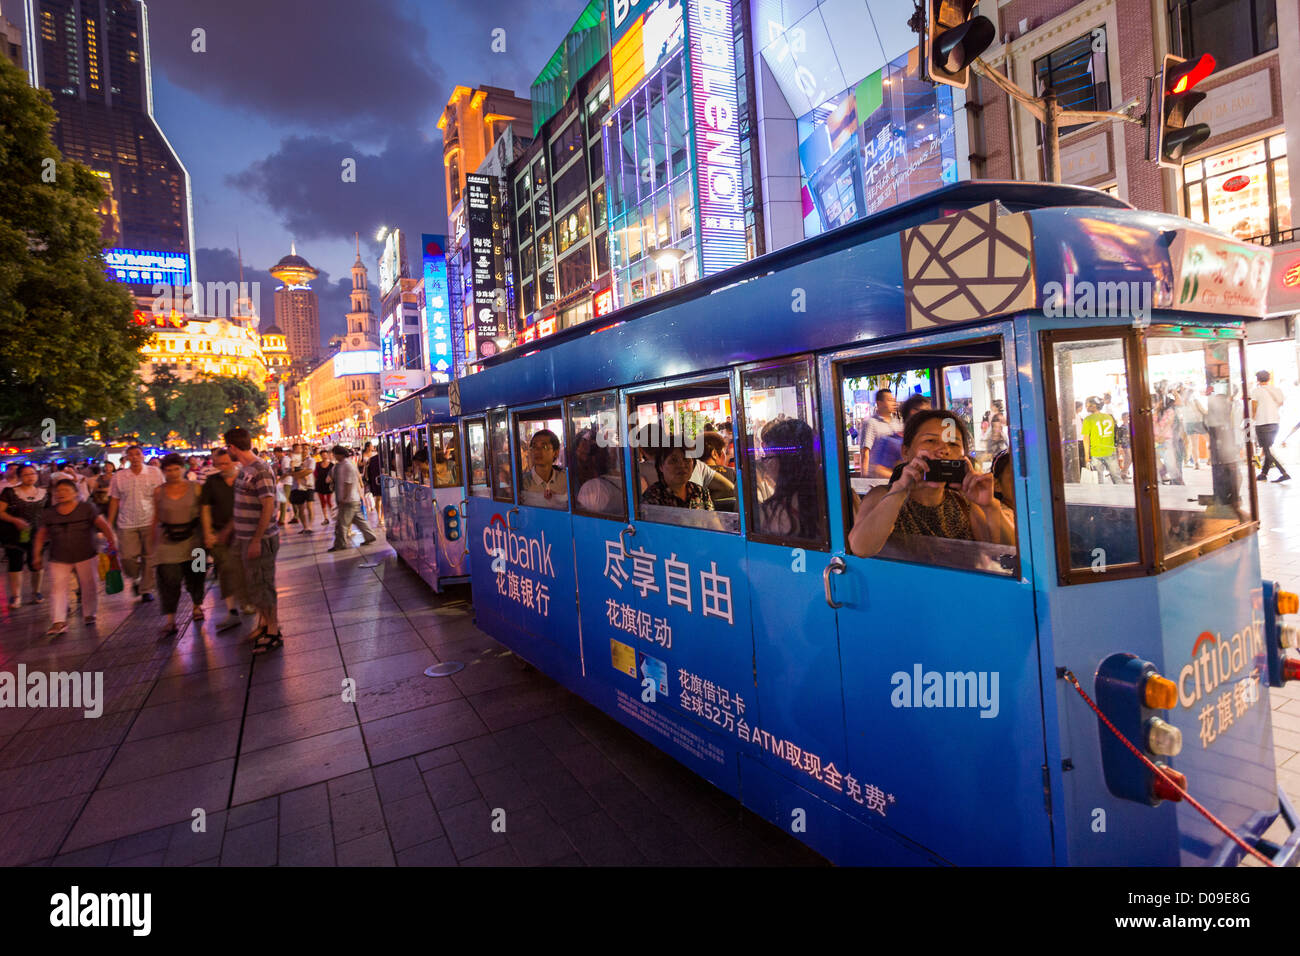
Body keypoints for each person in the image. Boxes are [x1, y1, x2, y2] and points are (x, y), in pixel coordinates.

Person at [848, 410, 1014, 559]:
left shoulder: (965, 502)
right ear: (905, 452)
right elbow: (861, 548)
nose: (943, 450)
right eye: (930, 441)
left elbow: (1010, 553)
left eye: (953, 444)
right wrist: (900, 490)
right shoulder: (883, 495)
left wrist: (990, 505)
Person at [31, 479, 116, 635]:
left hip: (86, 554)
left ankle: (89, 613)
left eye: (65, 490)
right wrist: (36, 555)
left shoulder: (86, 508)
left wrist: (112, 543)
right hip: (58, 556)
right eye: (58, 491)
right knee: (58, 588)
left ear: (76, 492)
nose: (60, 493)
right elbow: (41, 535)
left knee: (88, 585)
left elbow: (103, 525)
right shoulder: (49, 513)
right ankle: (58, 621)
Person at [226, 427, 282, 653]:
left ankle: (273, 631)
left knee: (263, 584)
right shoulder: (245, 469)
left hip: (260, 539)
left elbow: (268, 504)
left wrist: (257, 539)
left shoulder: (260, 469)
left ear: (232, 447)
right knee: (254, 584)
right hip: (245, 537)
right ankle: (264, 623)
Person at [151, 454, 205, 637]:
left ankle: (197, 606)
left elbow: (204, 513)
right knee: (168, 579)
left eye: (176, 469)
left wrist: (208, 536)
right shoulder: (159, 491)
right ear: (163, 471)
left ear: (183, 469)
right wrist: (151, 542)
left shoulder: (196, 488)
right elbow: (155, 517)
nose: (173, 473)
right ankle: (170, 620)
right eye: (168, 470)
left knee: (197, 575)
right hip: (167, 542)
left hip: (195, 540)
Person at [106, 445, 163, 602]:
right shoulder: (119, 476)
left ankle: (146, 589)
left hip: (149, 520)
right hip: (126, 523)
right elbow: (114, 500)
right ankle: (136, 577)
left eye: (137, 454)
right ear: (126, 458)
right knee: (127, 557)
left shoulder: (154, 473)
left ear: (143, 456)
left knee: (149, 556)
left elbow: (159, 496)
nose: (134, 457)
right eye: (131, 455)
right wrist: (109, 524)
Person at [754, 419, 824, 539]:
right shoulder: (839, 499)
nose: (765, 463)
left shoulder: (770, 513)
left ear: (784, 462)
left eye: (768, 457)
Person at [200, 448, 246, 631]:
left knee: (245, 568)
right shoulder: (212, 482)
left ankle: (247, 600)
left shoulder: (244, 478)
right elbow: (205, 508)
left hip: (244, 532)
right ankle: (232, 610)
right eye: (218, 464)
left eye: (226, 463)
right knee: (225, 569)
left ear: (234, 461)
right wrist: (207, 533)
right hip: (220, 534)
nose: (222, 467)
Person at [1, 465, 48, 606]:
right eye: (26, 474)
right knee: (15, 562)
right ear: (20, 476)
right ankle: (16, 596)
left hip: (38, 534)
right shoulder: (9, 493)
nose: (30, 477)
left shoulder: (44, 493)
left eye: (33, 474)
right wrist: (15, 520)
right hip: (15, 533)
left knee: (36, 562)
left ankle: (36, 592)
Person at [329, 445, 378, 552]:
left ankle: (340, 544)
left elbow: (349, 483)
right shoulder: (342, 465)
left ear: (340, 454)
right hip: (350, 499)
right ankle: (370, 536)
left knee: (341, 523)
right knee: (358, 520)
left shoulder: (348, 465)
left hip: (348, 499)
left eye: (335, 454)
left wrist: (344, 497)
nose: (334, 456)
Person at [643, 443, 714, 510]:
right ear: (661, 466)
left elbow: (713, 521)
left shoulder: (701, 492)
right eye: (674, 460)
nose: (682, 465)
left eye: (686, 459)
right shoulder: (653, 497)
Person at [1252, 370, 1290, 482]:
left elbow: (1254, 406)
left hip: (1262, 423)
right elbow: (1281, 402)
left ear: (1258, 379)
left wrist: (1253, 416)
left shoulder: (1256, 391)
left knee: (1267, 450)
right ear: (1269, 379)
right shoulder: (1276, 390)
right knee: (1268, 448)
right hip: (1275, 423)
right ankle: (1264, 473)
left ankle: (1283, 472)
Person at [519, 429, 567, 507]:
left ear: (555, 452)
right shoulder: (523, 483)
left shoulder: (565, 479)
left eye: (544, 447)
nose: (537, 451)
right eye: (534, 447)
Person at [859, 388, 899, 478]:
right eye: (889, 400)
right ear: (879, 403)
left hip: (894, 478)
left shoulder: (897, 424)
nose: (893, 403)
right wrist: (864, 478)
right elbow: (865, 452)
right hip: (877, 479)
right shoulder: (871, 423)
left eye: (893, 400)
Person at [1082, 398, 1123, 483]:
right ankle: (1122, 494)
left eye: (1087, 404)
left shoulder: (1088, 419)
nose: (1086, 406)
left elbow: (1086, 439)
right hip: (1110, 450)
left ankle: (1100, 495)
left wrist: (1086, 456)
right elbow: (1115, 433)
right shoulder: (1109, 417)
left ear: (1094, 406)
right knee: (1116, 477)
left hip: (1096, 451)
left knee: (1098, 480)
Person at [363, 441, 383, 526]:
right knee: (380, 499)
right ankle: (380, 518)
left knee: (378, 499)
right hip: (377, 481)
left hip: (375, 481)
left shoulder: (373, 459)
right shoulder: (378, 459)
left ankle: (380, 517)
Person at [314, 449, 335, 524]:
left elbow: (334, 475)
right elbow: (315, 475)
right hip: (320, 485)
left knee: (329, 501)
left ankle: (333, 516)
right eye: (322, 455)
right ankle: (326, 518)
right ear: (320, 456)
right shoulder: (317, 465)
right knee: (322, 501)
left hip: (329, 486)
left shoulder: (332, 465)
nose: (324, 456)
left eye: (325, 454)